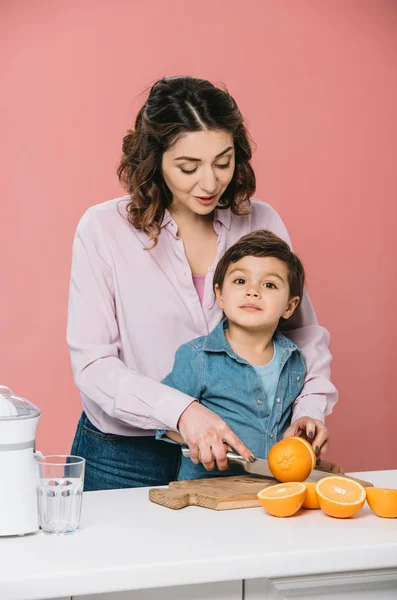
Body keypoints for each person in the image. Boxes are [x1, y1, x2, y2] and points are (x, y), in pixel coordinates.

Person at [67, 75, 337, 491]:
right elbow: (93, 364)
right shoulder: (103, 228)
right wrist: (183, 411)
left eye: (223, 162)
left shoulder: (262, 221)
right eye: (188, 168)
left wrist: (311, 408)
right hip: (124, 457)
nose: (210, 183)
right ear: (153, 160)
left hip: (239, 456)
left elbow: (301, 332)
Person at [156, 230, 309, 479]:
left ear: (290, 306)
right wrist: (201, 440)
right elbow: (163, 417)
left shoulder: (294, 360)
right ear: (219, 295)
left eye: (269, 285)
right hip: (207, 493)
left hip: (273, 491)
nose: (253, 291)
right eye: (240, 281)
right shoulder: (197, 358)